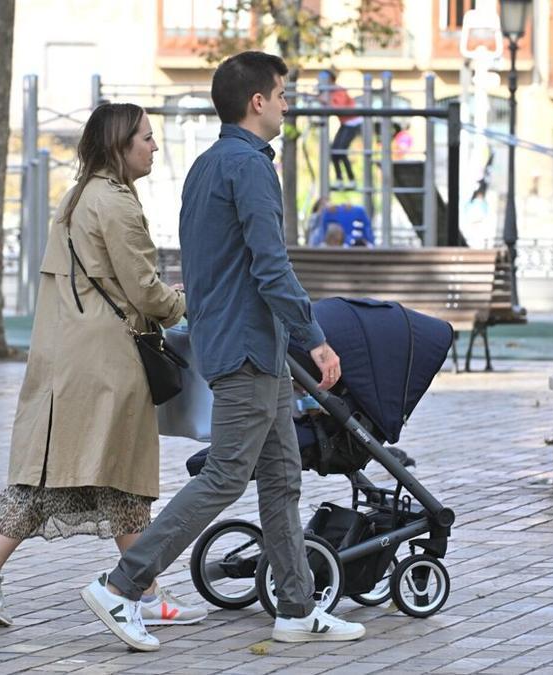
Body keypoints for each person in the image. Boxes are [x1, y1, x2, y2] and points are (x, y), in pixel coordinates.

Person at [80, 51, 366, 652]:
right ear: (257, 102)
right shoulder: (252, 167)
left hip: (238, 343)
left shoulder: (207, 165)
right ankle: (121, 584)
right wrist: (314, 337)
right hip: (249, 348)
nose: (288, 102)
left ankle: (295, 608)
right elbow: (271, 266)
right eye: (283, 93)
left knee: (283, 478)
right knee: (227, 476)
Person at [0, 103, 205, 629]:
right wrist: (186, 302)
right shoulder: (115, 205)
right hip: (109, 362)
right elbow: (145, 291)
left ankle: (140, 587)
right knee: (112, 475)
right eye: (146, 138)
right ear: (120, 145)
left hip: (71, 357)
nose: (153, 146)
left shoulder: (76, 197)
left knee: (94, 475)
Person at [320, 69, 362, 188]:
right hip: (345, 123)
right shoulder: (329, 92)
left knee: (341, 151)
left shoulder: (338, 90)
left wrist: (326, 101)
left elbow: (340, 107)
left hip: (352, 122)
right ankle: (339, 179)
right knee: (334, 151)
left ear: (331, 81)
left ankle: (351, 180)